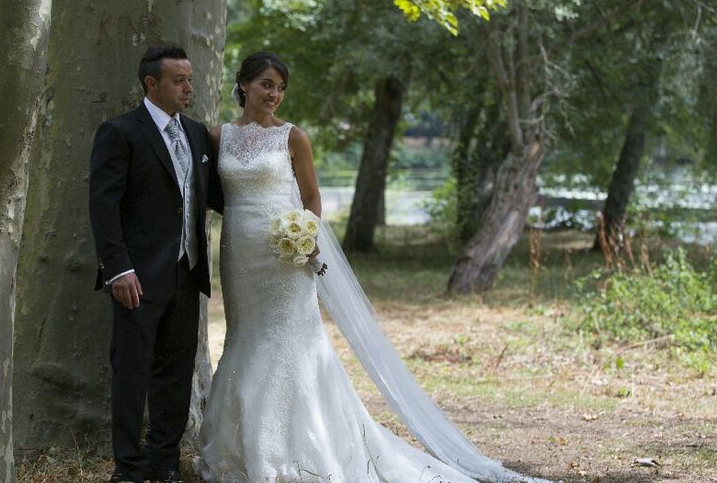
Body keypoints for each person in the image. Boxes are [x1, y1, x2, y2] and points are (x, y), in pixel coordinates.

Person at [194, 51, 549, 482]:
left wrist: (306, 236)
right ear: (244, 84)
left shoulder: (293, 138)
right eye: (267, 84)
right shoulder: (217, 138)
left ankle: (304, 449)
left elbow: (311, 197)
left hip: (285, 258)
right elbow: (213, 194)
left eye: (281, 88)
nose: (274, 95)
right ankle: (240, 449)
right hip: (238, 254)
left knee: (289, 340)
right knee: (245, 336)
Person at [89, 46, 223, 483]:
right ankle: (127, 468)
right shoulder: (121, 132)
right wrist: (118, 269)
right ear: (152, 84)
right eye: (179, 80)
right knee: (130, 373)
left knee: (176, 371)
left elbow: (216, 197)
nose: (189, 87)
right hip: (137, 278)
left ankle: (163, 461)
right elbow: (103, 207)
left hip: (188, 273)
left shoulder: (199, 134)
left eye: (190, 79)